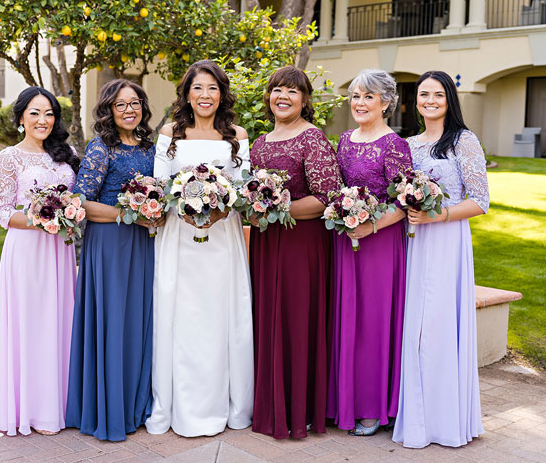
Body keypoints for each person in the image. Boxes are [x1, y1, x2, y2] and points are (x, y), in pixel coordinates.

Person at [146, 60, 253, 437]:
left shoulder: (236, 134)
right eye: (198, 88)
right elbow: (159, 186)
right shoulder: (170, 132)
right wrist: (184, 209)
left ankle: (228, 404)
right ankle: (179, 406)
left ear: (221, 93)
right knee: (183, 316)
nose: (205, 95)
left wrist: (219, 206)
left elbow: (243, 189)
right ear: (186, 94)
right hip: (180, 238)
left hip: (223, 238)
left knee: (220, 316)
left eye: (212, 88)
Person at [392, 70, 489, 448]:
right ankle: (416, 416)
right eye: (422, 95)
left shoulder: (464, 141)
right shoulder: (409, 144)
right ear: (414, 100)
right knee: (414, 324)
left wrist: (440, 214)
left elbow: (480, 200)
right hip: (413, 241)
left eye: (437, 95)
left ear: (449, 99)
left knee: (440, 324)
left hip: (447, 240)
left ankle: (446, 420)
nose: (429, 101)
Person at [249, 65, 343, 439]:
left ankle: (298, 409)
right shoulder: (259, 142)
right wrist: (255, 210)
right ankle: (270, 404)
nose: (282, 97)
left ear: (305, 100)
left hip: (301, 244)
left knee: (296, 320)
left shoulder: (312, 139)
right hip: (267, 243)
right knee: (267, 317)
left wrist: (275, 209)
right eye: (276, 90)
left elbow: (326, 198)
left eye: (292, 91)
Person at [66, 79, 160, 441]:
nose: (129, 110)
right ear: (109, 109)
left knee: (138, 321)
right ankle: (109, 410)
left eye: (135, 103)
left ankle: (136, 406)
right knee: (113, 323)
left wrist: (152, 211)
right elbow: (81, 200)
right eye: (121, 105)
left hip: (142, 244)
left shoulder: (151, 149)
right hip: (108, 245)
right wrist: (127, 214)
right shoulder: (100, 147)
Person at [0, 86, 80, 436]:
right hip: (27, 250)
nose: (43, 120)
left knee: (60, 322)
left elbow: (76, 197)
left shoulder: (66, 153)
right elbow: (2, 211)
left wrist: (69, 212)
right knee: (31, 325)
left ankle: (60, 407)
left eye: (49, 113)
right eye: (36, 113)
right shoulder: (9, 157)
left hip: (60, 251)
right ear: (21, 117)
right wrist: (44, 216)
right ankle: (32, 410)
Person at [328, 70, 411, 435]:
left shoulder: (395, 145)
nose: (359, 103)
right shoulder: (345, 139)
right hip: (346, 239)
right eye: (355, 96)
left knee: (372, 323)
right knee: (345, 317)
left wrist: (371, 225)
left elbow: (405, 201)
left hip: (380, 243)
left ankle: (371, 406)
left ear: (386, 103)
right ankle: (342, 400)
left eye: (367, 97)